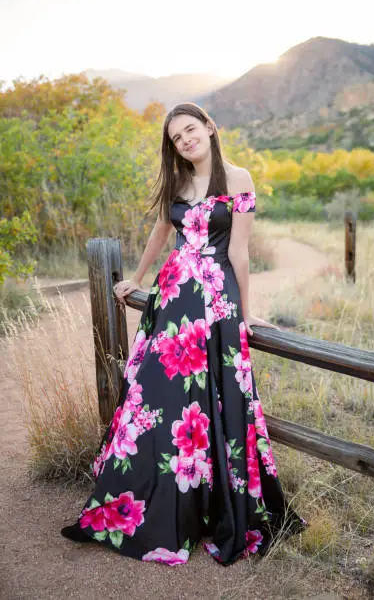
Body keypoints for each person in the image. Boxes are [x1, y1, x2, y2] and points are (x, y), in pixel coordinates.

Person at [61, 102, 307, 566]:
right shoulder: (176, 181)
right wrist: (137, 278)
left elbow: (239, 250)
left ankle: (206, 508)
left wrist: (246, 313)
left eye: (191, 130)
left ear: (210, 128)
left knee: (210, 403)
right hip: (173, 298)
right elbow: (159, 231)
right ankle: (150, 502)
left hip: (215, 299)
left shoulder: (239, 179)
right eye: (176, 137)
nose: (185, 141)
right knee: (155, 401)